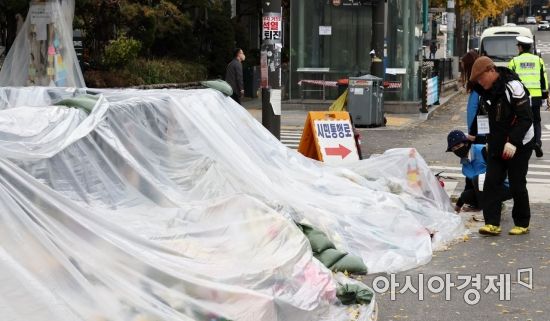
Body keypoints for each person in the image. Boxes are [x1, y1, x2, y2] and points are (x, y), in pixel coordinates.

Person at [468, 56, 534, 236]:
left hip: (520, 142)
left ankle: (522, 222)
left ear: (491, 71)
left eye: (482, 78)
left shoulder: (513, 87)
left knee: (516, 183)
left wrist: (513, 142)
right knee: (491, 181)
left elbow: (526, 118)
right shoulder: (485, 93)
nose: (480, 83)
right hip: (497, 141)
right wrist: (477, 137)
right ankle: (492, 223)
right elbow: (483, 118)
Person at [446, 130, 511, 213]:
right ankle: (484, 205)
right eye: (454, 149)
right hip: (486, 189)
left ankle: (493, 207)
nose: (457, 150)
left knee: (478, 180)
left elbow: (502, 169)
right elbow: (469, 185)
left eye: (458, 146)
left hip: (503, 186)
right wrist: (458, 207)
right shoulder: (465, 164)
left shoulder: (483, 150)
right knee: (465, 196)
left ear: (466, 143)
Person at [508, 36, 548, 158]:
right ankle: (537, 142)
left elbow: (509, 80)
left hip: (520, 97)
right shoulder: (538, 60)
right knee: (536, 120)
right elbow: (544, 79)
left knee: (521, 120)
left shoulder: (514, 61)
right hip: (536, 96)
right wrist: (545, 95)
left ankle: (522, 144)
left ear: (520, 47)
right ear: (530, 48)